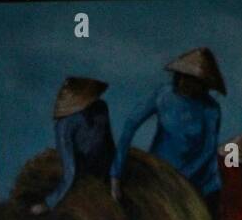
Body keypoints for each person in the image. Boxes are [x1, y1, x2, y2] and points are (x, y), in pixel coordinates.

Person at [109, 47, 225, 206]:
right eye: (182, 76)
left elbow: (208, 151)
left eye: (191, 79)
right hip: (159, 171)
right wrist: (116, 172)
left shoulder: (211, 109)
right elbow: (131, 124)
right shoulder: (164, 94)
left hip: (198, 181)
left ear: (203, 84)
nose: (184, 82)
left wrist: (180, 178)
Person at [40, 77, 115, 211]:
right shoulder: (64, 125)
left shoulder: (101, 108)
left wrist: (115, 176)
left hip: (102, 171)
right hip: (85, 174)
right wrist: (49, 203)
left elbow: (109, 144)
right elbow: (70, 169)